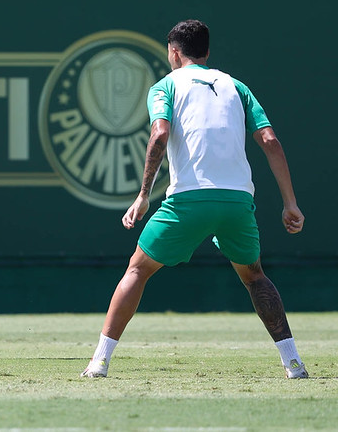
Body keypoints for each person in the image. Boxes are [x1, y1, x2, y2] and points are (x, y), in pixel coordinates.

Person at [81, 19, 308, 379]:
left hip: (189, 200)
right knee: (255, 277)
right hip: (237, 202)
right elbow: (270, 141)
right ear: (206, 52)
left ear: (173, 51)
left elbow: (159, 136)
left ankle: (99, 363)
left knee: (137, 270)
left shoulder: (164, 86)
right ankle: (294, 362)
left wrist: (142, 197)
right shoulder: (236, 86)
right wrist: (290, 202)